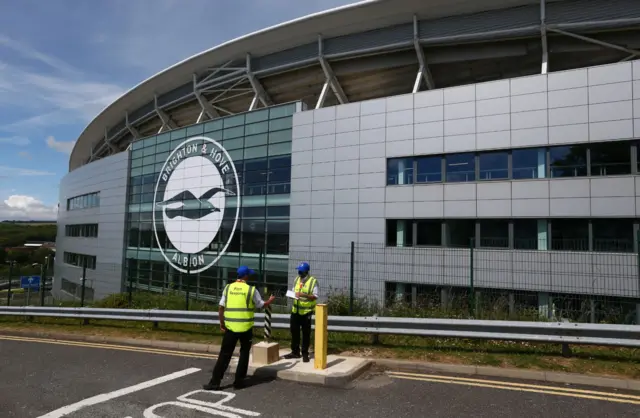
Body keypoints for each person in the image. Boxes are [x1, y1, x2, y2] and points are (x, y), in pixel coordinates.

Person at [203, 266, 275, 391]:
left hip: (230, 328)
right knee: (244, 354)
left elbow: (221, 307)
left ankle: (214, 383)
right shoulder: (251, 290)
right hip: (245, 328)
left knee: (224, 355)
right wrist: (269, 301)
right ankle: (239, 382)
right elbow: (261, 305)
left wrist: (222, 323)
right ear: (246, 276)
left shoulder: (228, 288)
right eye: (249, 275)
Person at [283, 262, 318, 363]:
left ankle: (305, 353)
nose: (299, 273)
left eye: (300, 271)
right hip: (295, 311)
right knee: (294, 332)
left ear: (306, 272)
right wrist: (292, 295)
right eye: (298, 271)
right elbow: (295, 291)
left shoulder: (313, 281)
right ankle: (295, 352)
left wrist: (303, 295)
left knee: (306, 334)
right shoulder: (296, 279)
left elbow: (315, 296)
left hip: (306, 312)